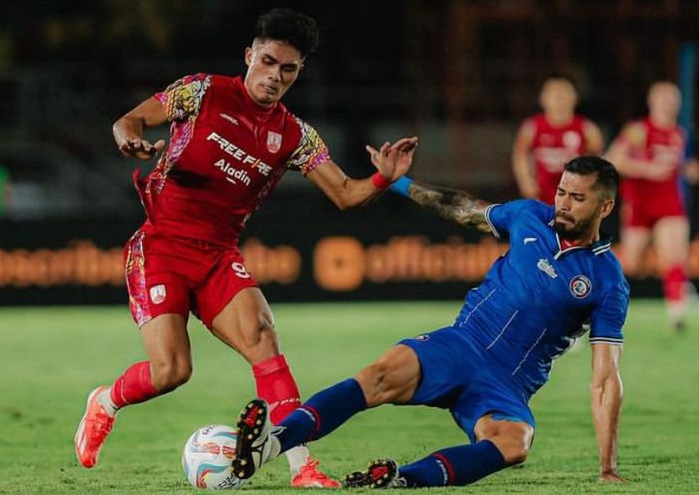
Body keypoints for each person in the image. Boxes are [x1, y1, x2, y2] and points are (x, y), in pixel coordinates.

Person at [73, 7, 418, 488]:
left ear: (298, 74)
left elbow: (345, 193)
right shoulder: (203, 91)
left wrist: (383, 177)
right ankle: (105, 402)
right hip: (161, 246)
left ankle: (304, 469)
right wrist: (130, 138)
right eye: (269, 61)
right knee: (172, 370)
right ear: (249, 56)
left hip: (217, 256)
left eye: (288, 69)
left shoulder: (295, 135)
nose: (275, 76)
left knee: (264, 340)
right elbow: (128, 121)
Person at [231, 156, 629, 488]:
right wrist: (397, 182)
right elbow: (462, 207)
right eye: (561, 191)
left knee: (516, 443)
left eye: (577, 198)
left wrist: (607, 465)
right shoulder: (528, 216)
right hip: (460, 345)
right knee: (378, 375)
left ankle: (399, 479)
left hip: (507, 383)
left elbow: (605, 380)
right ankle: (271, 444)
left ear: (605, 207)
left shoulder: (607, 280)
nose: (563, 203)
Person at [606, 81, 697, 331]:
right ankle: (594, 300)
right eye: (664, 97)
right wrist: (648, 169)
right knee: (632, 262)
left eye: (673, 98)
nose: (669, 103)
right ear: (652, 101)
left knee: (674, 255)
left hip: (669, 203)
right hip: (639, 204)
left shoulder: (680, 134)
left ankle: (677, 316)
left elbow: (680, 168)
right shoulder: (639, 130)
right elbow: (612, 160)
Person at [512, 75, 604, 204]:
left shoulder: (587, 128)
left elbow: (598, 159)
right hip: (541, 194)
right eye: (553, 92)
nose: (558, 97)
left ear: (575, 97)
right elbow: (520, 155)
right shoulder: (531, 127)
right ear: (542, 98)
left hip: (574, 195)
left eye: (564, 92)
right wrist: (525, 181)